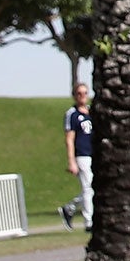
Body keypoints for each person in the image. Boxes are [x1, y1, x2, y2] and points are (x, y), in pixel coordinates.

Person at [59, 82, 94, 229]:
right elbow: (69, 138)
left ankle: (70, 207)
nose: (82, 96)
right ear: (74, 95)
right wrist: (71, 160)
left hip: (93, 153)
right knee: (87, 188)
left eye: (85, 93)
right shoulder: (72, 114)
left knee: (93, 188)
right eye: (79, 93)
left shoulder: (91, 112)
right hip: (82, 155)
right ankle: (88, 221)